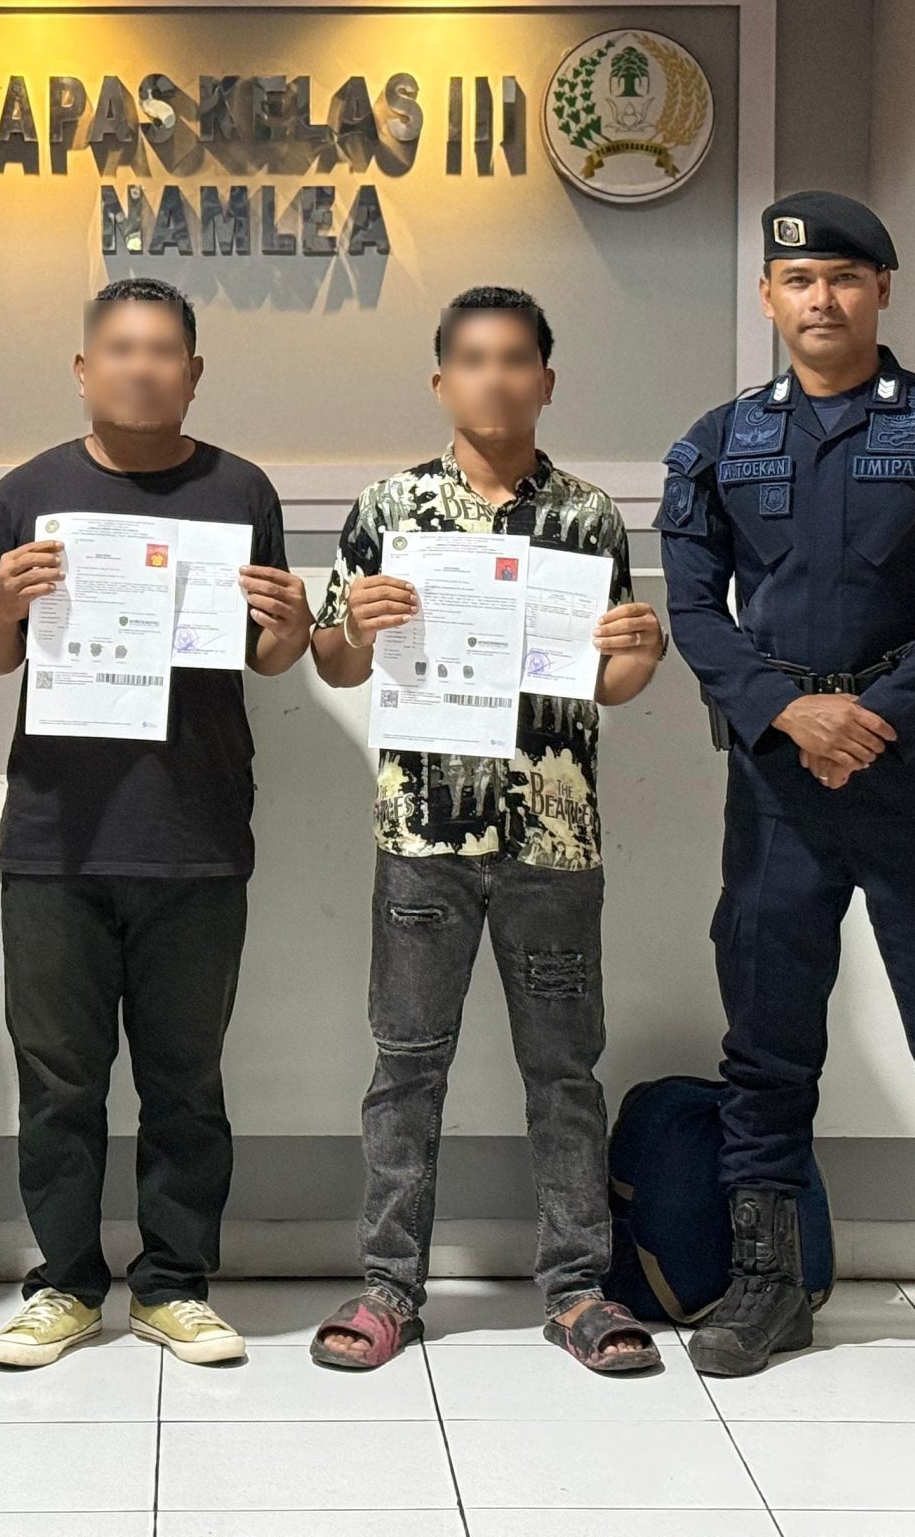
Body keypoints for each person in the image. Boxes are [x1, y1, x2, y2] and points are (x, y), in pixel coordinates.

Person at [659, 190, 915, 1407]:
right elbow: (690, 609)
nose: (819, 299)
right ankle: (767, 1285)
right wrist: (788, 713)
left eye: (842, 277)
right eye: (797, 281)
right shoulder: (717, 440)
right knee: (765, 1038)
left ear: (881, 289)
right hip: (778, 779)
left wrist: (875, 719)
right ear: (766, 299)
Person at [305, 286, 668, 1376]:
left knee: (565, 1075)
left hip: (554, 842)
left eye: (515, 359)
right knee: (406, 1067)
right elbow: (333, 662)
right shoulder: (389, 510)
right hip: (423, 837)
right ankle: (388, 1288)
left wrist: (640, 653)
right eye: (472, 359)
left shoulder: (588, 518)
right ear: (441, 381)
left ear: (545, 381)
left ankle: (578, 1289)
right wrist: (353, 627)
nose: (494, 378)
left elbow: (609, 681)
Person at [0, 278, 312, 1370]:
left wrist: (292, 625)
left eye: (164, 352)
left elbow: (270, 657)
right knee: (57, 1081)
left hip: (194, 830)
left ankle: (173, 1286)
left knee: (185, 1083)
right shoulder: (30, 492)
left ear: (193, 373)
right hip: (56, 836)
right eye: (119, 349)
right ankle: (64, 1285)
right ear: (83, 369)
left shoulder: (240, 490)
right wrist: (6, 603)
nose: (141, 367)